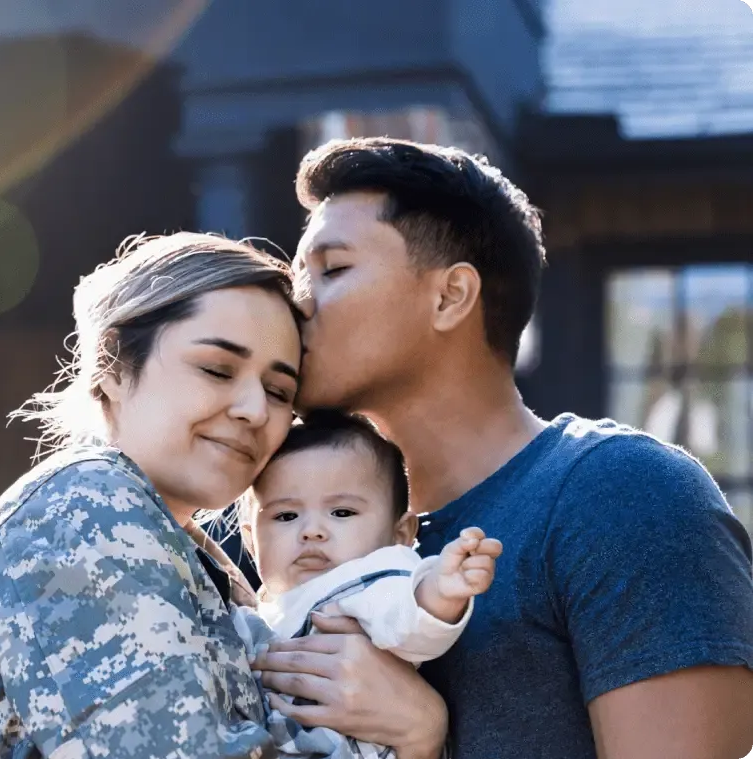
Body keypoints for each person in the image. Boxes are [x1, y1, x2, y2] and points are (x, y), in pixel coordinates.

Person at [249, 137, 753, 759]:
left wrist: (424, 736)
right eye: (299, 274)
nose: (297, 302)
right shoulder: (285, 526)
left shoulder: (624, 496)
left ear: (450, 296)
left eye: (332, 271)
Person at [0, 232, 449, 758]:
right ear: (113, 364)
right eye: (217, 369)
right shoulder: (87, 508)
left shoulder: (187, 549)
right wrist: (418, 733)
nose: (254, 410)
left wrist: (414, 729)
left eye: (278, 391)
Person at [231, 410, 501, 758]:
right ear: (252, 541)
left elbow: (407, 619)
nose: (312, 531)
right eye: (286, 516)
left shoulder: (365, 580)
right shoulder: (262, 610)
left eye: (342, 513)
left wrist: (441, 590)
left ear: (400, 534)